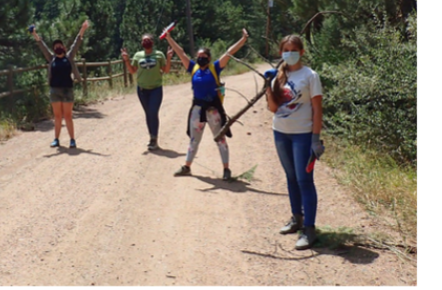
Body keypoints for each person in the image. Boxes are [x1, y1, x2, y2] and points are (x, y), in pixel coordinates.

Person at [264, 35, 325, 251]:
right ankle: (296, 218)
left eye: (293, 49)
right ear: (281, 53)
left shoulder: (310, 76)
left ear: (301, 52)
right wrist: (268, 86)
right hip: (281, 133)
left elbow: (317, 108)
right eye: (285, 50)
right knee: (291, 178)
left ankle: (309, 229)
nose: (289, 53)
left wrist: (315, 139)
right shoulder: (277, 77)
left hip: (303, 135)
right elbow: (272, 108)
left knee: (304, 180)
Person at [165, 28, 249, 181]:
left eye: (204, 56)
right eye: (199, 56)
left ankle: (226, 169)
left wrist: (243, 40)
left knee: (220, 139)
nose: (201, 58)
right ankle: (187, 166)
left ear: (209, 58)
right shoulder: (193, 68)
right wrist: (168, 38)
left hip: (213, 110)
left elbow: (229, 52)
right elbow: (181, 52)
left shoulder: (215, 68)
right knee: (194, 140)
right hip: (197, 110)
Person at [30, 20, 90, 149]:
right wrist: (34, 33)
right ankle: (56, 139)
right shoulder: (51, 59)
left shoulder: (69, 57)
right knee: (57, 116)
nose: (57, 47)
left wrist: (83, 29)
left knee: (68, 116)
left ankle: (72, 140)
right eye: (55, 45)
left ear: (63, 47)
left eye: (59, 45)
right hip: (55, 90)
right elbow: (41, 45)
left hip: (68, 90)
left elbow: (77, 42)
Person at [121, 34, 173, 150]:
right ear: (141, 43)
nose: (146, 42)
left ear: (152, 42)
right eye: (144, 40)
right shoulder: (138, 55)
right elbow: (132, 71)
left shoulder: (159, 55)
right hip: (142, 90)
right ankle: (151, 137)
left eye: (148, 40)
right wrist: (127, 60)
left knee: (153, 112)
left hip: (156, 89)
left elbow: (166, 70)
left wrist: (169, 58)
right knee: (148, 114)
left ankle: (154, 138)